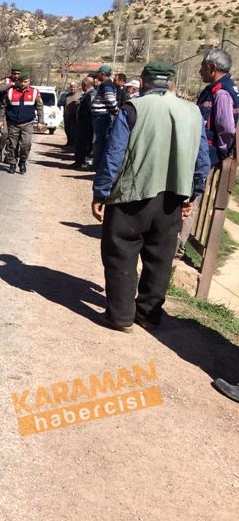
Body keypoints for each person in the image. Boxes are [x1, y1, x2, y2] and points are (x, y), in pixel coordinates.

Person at [91, 61, 211, 332]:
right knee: (161, 256)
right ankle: (148, 313)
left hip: (131, 196)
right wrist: (193, 195)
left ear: (143, 83)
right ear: (172, 85)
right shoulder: (193, 113)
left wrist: (101, 192)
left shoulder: (133, 108)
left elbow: (114, 154)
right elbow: (202, 161)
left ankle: (120, 316)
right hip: (172, 199)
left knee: (120, 251)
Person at [177, 48, 239, 258]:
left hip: (207, 154)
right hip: (203, 151)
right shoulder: (214, 89)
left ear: (212, 68)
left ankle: (176, 247)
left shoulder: (221, 92)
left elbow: (227, 128)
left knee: (192, 198)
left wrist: (219, 153)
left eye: (202, 67)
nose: (199, 71)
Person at [0, 70, 44, 175]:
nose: (23, 84)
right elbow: (3, 107)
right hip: (13, 123)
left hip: (27, 123)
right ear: (18, 81)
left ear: (29, 81)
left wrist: (41, 121)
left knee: (26, 144)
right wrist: (1, 120)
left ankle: (22, 161)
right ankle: (12, 163)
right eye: (21, 82)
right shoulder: (10, 92)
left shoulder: (34, 92)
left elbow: (40, 107)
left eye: (25, 81)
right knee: (12, 145)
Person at [90, 64, 121, 170]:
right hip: (101, 116)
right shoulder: (105, 84)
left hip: (102, 117)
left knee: (100, 141)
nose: (97, 76)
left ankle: (98, 165)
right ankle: (97, 163)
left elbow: (110, 100)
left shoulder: (107, 84)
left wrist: (116, 111)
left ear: (103, 74)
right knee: (99, 140)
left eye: (98, 73)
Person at [0, 65, 23, 162]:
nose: (16, 75)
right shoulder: (5, 80)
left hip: (15, 111)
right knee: (3, 133)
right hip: (3, 110)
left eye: (18, 74)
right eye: (14, 73)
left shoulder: (23, 82)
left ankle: (9, 155)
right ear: (11, 73)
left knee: (13, 135)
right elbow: (0, 89)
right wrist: (12, 84)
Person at [71, 76, 96, 168]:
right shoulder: (86, 94)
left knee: (85, 144)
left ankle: (83, 162)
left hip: (87, 124)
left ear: (85, 85)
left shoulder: (91, 94)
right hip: (82, 124)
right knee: (80, 143)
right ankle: (78, 161)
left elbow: (91, 109)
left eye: (82, 85)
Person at [63, 80, 81, 148]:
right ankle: (69, 141)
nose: (72, 88)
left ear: (77, 87)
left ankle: (74, 142)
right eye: (71, 87)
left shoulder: (80, 95)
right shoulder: (67, 95)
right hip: (67, 115)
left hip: (76, 116)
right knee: (67, 129)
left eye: (74, 87)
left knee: (75, 130)